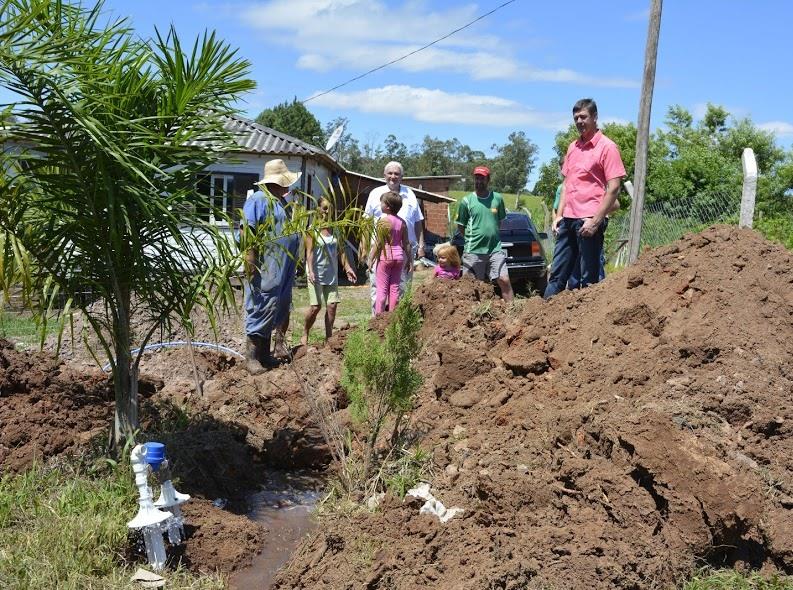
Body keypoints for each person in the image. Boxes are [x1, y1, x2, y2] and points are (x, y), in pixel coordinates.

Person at [544, 98, 626, 299]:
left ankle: (589, 327)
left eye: (584, 117)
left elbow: (614, 187)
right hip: (569, 220)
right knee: (557, 275)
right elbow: (566, 184)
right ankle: (539, 321)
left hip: (589, 220)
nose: (579, 121)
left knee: (589, 280)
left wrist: (596, 221)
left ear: (595, 117)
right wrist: (558, 216)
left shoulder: (607, 147)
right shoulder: (573, 147)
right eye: (576, 118)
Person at [241, 159, 301, 374]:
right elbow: (247, 231)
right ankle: (252, 358)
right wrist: (250, 262)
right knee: (261, 303)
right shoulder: (258, 200)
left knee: (276, 305)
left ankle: (265, 355)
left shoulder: (280, 202)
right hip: (266, 266)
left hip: (282, 267)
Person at [363, 161, 425, 315]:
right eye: (390, 173)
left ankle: (397, 322)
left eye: (396, 174)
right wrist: (365, 249)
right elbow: (366, 222)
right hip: (380, 251)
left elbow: (417, 222)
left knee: (401, 288)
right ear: (384, 175)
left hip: (404, 250)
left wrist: (421, 245)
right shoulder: (375, 194)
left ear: (402, 176)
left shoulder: (410, 194)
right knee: (378, 288)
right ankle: (376, 323)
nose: (393, 176)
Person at [301, 197, 357, 346]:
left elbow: (341, 251)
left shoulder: (335, 229)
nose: (327, 212)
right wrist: (311, 271)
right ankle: (305, 331)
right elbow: (309, 253)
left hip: (331, 274)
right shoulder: (312, 230)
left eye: (329, 209)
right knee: (316, 307)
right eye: (324, 208)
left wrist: (347, 267)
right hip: (316, 273)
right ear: (317, 209)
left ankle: (328, 338)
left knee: (332, 305)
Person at [455, 165, 514, 302]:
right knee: (470, 286)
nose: (478, 181)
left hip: (495, 249)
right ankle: (469, 317)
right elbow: (460, 226)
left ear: (488, 180)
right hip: (473, 250)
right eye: (476, 178)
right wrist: (472, 238)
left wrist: (490, 234)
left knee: (504, 279)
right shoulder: (466, 201)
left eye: (482, 178)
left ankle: (512, 314)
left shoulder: (497, 199)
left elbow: (499, 222)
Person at [369, 191, 409, 315]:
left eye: (382, 202)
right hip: (399, 258)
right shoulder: (402, 222)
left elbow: (379, 243)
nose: (380, 205)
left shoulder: (383, 222)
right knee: (395, 288)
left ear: (387, 206)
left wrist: (371, 259)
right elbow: (406, 243)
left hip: (386, 257)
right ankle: (392, 318)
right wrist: (410, 260)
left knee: (382, 289)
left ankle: (379, 318)